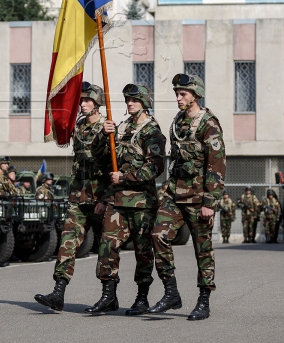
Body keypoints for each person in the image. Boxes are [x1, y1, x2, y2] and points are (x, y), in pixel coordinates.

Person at [148, 73, 225, 321]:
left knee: (203, 250)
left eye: (183, 94)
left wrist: (210, 203)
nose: (178, 98)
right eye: (177, 94)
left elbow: (216, 165)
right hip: (175, 194)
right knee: (158, 235)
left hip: (199, 197)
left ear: (195, 95)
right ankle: (171, 292)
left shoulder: (209, 124)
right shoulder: (178, 123)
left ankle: (204, 300)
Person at [86, 83, 165, 316]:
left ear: (144, 102)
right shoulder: (120, 128)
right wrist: (103, 134)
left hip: (142, 201)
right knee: (107, 245)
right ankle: (108, 296)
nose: (129, 103)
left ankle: (142, 298)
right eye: (128, 100)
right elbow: (101, 156)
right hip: (117, 200)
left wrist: (126, 177)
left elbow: (156, 168)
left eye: (134, 100)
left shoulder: (152, 132)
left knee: (143, 250)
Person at [35, 82, 111, 312]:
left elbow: (115, 168)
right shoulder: (78, 127)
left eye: (88, 100)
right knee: (67, 242)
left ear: (97, 103)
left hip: (101, 199)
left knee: (108, 247)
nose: (83, 104)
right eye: (82, 100)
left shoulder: (108, 129)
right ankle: (58, 292)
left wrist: (105, 199)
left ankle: (109, 295)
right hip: (79, 198)